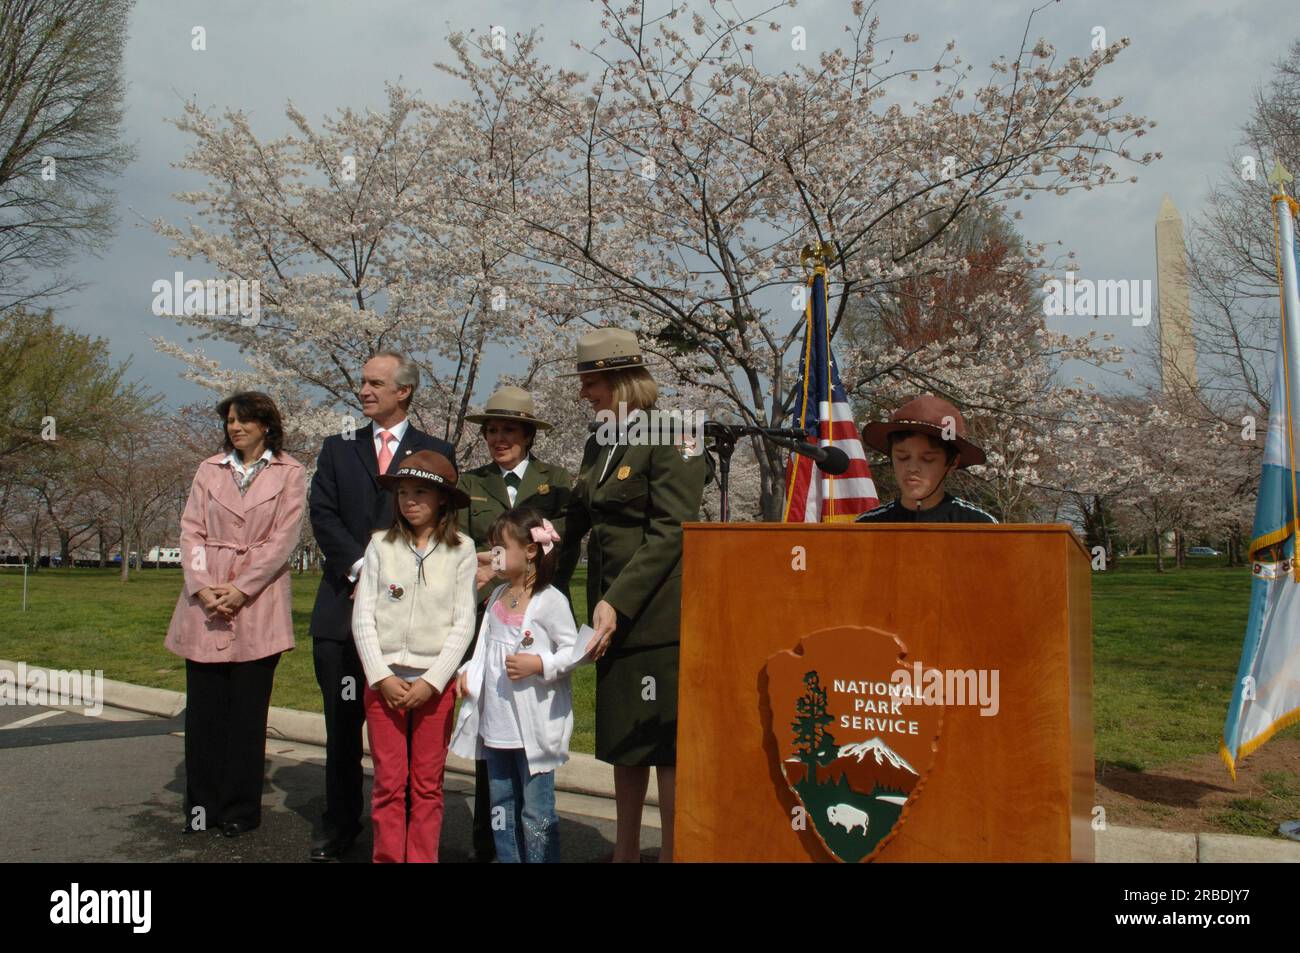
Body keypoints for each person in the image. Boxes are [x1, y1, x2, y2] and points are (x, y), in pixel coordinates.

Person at [554, 327, 707, 862]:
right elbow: (578, 518)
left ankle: (670, 853)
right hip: (608, 613)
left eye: (591, 382)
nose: (583, 394)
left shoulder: (677, 432)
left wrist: (618, 601)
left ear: (622, 380)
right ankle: (624, 852)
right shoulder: (601, 439)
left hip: (656, 615)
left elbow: (673, 529)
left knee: (662, 745)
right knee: (624, 740)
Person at [307, 351, 455, 861]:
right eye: (363, 382)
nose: (364, 391)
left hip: (410, 623)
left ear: (404, 391)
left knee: (408, 747)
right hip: (341, 611)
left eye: (375, 383)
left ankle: (411, 838)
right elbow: (322, 513)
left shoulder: (436, 450)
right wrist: (360, 567)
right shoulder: (338, 448)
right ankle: (340, 823)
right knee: (341, 727)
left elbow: (439, 529)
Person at [165, 391, 306, 837]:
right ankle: (201, 806)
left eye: (244, 420)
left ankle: (240, 809)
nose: (235, 427)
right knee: (205, 712)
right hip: (205, 600)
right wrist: (205, 587)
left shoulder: (291, 472)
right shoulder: (209, 469)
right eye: (230, 420)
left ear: (267, 424)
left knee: (247, 713)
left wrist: (242, 589)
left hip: (259, 600)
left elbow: (284, 539)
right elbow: (191, 531)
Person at [457, 385, 572, 861]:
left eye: (509, 430)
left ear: (527, 434)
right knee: (494, 758)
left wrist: (534, 587)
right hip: (487, 609)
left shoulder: (556, 480)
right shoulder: (469, 483)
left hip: (535, 612)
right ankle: (493, 848)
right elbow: (462, 548)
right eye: (492, 431)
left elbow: (565, 546)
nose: (499, 438)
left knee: (531, 782)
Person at [350, 450, 477, 863]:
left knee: (426, 783)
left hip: (432, 686)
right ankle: (387, 856)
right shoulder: (379, 547)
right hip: (383, 681)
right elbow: (363, 617)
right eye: (403, 492)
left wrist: (433, 680)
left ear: (442, 498)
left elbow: (463, 624)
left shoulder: (462, 550)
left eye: (421, 491)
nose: (410, 500)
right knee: (389, 781)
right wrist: (380, 675)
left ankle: (422, 857)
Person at [450, 509, 589, 863]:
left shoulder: (550, 601)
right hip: (497, 727)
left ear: (530, 551)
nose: (493, 555)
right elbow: (484, 647)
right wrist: (468, 670)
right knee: (501, 807)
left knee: (535, 811)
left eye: (500, 548)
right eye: (492, 548)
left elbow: (575, 653)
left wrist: (539, 663)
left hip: (531, 730)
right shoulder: (497, 598)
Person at [855, 394, 998, 524]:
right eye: (902, 457)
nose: (912, 468)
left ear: (952, 462)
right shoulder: (869, 526)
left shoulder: (979, 525)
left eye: (927, 459)